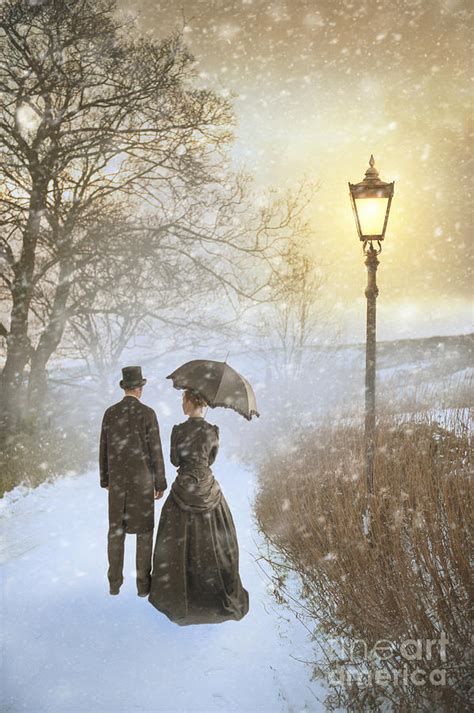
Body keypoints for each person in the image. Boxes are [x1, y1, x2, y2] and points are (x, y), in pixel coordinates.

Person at [148, 389, 249, 625]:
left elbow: (175, 460)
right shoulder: (212, 432)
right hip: (209, 490)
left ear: (190, 401)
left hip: (183, 489)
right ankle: (213, 595)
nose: (181, 403)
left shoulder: (178, 431)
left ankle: (182, 593)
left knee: (176, 544)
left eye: (183, 399)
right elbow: (211, 459)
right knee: (215, 542)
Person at [99, 366, 167, 596]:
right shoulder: (148, 414)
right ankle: (143, 586)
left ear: (124, 387)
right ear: (139, 388)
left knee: (115, 532)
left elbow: (104, 448)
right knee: (144, 532)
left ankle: (114, 584)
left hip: (118, 482)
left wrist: (105, 478)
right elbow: (155, 450)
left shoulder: (110, 413)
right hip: (142, 482)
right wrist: (160, 482)